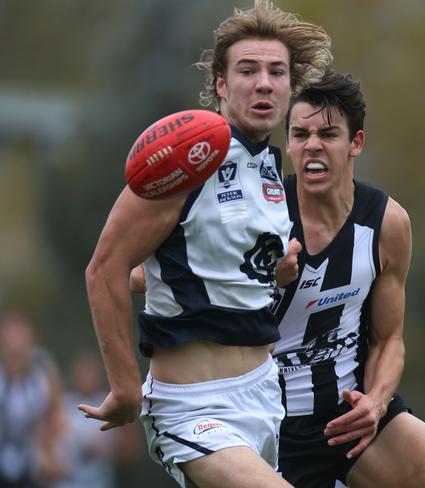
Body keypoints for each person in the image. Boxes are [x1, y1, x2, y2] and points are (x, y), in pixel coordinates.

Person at [81, 1, 332, 487]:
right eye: (248, 70)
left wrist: (273, 272)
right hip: (192, 406)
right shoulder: (182, 159)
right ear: (220, 84)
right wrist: (125, 385)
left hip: (263, 395)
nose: (264, 83)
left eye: (277, 72)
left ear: (289, 88)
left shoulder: (270, 171)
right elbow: (106, 268)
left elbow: (161, 270)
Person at [271, 69, 425, 487]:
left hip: (350, 416)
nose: (312, 145)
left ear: (356, 143)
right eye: (300, 134)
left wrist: (375, 401)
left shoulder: (387, 223)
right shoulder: (262, 216)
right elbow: (164, 279)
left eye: (328, 134)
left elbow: (389, 339)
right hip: (269, 426)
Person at [54, 350, 140, 488]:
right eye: (84, 372)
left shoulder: (111, 404)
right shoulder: (63, 406)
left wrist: (105, 449)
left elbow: (129, 450)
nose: (87, 378)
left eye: (91, 373)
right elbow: (47, 447)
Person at [0, 310, 66, 488]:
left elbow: (57, 416)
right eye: (10, 333)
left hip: (35, 463)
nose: (15, 340)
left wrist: (49, 448)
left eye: (20, 332)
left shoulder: (44, 369)